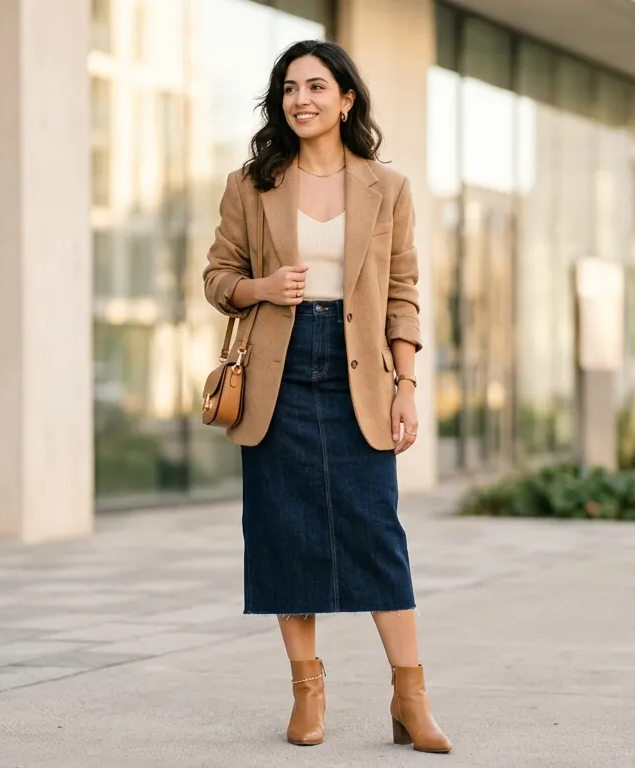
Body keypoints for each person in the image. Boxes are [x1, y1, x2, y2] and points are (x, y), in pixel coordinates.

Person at [201, 40, 451, 754]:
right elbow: (218, 277)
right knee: (284, 534)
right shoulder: (251, 184)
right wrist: (260, 288)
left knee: (377, 533)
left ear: (346, 99)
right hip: (278, 371)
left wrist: (405, 385)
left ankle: (411, 698)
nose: (300, 99)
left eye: (316, 86)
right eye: (288, 88)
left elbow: (402, 294)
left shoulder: (386, 187)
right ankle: (307, 695)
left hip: (359, 372)